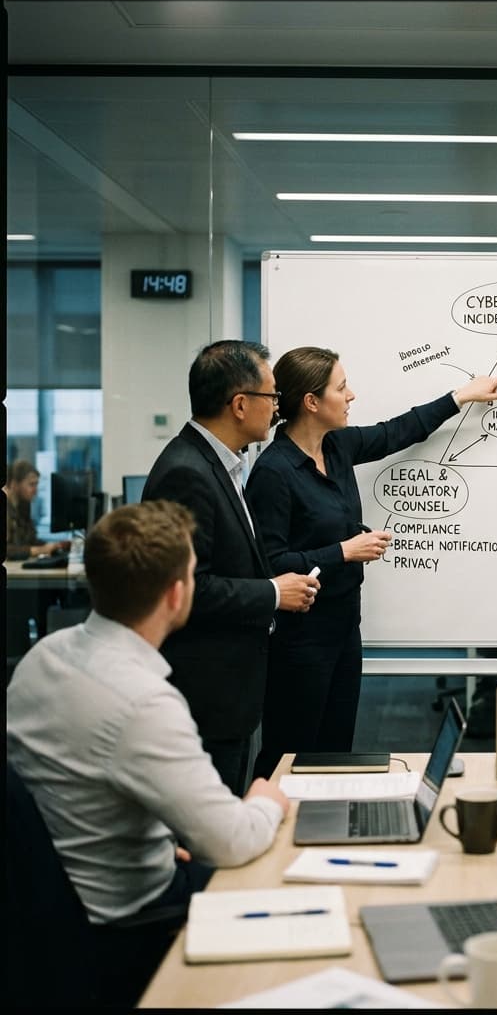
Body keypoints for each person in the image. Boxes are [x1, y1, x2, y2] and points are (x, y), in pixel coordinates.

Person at [6, 500, 290, 1004]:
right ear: (177, 593)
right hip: (130, 918)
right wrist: (268, 798)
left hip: (59, 898)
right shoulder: (142, 700)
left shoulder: (43, 656)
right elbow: (230, 841)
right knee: (284, 887)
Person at [245, 346, 497, 777]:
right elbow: (270, 563)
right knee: (289, 755)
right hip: (300, 642)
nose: (351, 396)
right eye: (341, 387)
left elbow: (398, 431)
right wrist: (343, 552)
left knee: (334, 753)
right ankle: (266, 833)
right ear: (311, 402)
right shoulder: (275, 472)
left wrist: (461, 396)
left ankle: (321, 831)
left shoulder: (337, 447)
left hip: (344, 628)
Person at [142, 340, 320, 796]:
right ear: (240, 404)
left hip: (228, 693)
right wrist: (275, 594)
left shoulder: (222, 465)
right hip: (206, 696)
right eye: (272, 397)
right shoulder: (187, 472)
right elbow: (187, 591)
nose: (278, 408)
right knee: (207, 838)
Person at [4, 459, 70, 560]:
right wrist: (40, 550)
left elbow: (31, 540)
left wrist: (54, 546)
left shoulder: (23, 507)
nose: (35, 490)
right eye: (31, 484)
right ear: (14, 484)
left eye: (36, 484)